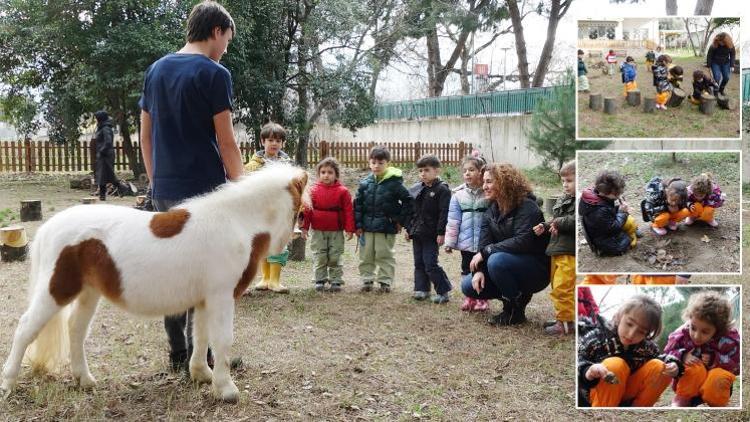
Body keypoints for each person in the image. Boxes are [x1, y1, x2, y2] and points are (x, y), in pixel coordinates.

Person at [138, 0, 243, 372]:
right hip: (206, 190)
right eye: (227, 39)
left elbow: (145, 136)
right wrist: (241, 186)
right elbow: (227, 143)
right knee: (207, 273)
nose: (226, 47)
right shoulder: (215, 73)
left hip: (165, 187)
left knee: (173, 272)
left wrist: (155, 182)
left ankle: (178, 354)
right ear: (216, 31)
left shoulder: (155, 70)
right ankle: (207, 355)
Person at [461, 163, 550, 326]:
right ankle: (514, 299)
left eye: (489, 182)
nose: (484, 186)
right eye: (484, 182)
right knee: (468, 285)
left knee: (496, 260)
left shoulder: (528, 207)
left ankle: (514, 311)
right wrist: (480, 270)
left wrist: (487, 251)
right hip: (504, 262)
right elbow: (484, 242)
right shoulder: (491, 209)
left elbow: (523, 241)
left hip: (536, 269)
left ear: (504, 183)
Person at [578, 295, 682, 407]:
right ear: (619, 316)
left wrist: (674, 364)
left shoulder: (646, 347)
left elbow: (660, 358)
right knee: (614, 365)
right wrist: (588, 371)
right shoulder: (595, 338)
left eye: (641, 331)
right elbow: (579, 361)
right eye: (629, 324)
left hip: (627, 396)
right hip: (597, 396)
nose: (631, 334)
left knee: (661, 367)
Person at [664, 291, 740, 407]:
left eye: (705, 331)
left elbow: (737, 365)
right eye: (693, 328)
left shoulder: (729, 341)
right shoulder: (682, 334)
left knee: (717, 376)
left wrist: (716, 359)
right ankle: (683, 400)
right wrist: (683, 356)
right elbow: (668, 352)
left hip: (714, 387)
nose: (696, 336)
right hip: (689, 386)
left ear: (718, 330)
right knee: (695, 367)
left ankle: (717, 405)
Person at [354, 145, 413, 293]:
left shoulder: (395, 183)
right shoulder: (364, 183)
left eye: (381, 163)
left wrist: (400, 220)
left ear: (388, 163)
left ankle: (385, 282)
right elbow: (358, 205)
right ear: (369, 163)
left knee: (385, 255)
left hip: (386, 227)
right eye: (373, 162)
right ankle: (367, 280)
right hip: (367, 227)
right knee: (366, 255)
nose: (376, 166)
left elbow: (408, 200)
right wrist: (358, 225)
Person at [245, 122, 294, 293]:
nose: (274, 144)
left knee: (278, 243)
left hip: (280, 212)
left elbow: (293, 186)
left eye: (278, 141)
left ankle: (275, 280)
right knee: (262, 243)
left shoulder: (288, 165)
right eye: (271, 140)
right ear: (262, 141)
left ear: (283, 143)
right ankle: (265, 278)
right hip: (259, 212)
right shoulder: (252, 166)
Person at [533, 160, 575, 336]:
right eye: (563, 181)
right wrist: (545, 224)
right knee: (556, 285)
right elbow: (557, 220)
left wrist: (557, 222)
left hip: (569, 252)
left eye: (570, 181)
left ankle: (565, 323)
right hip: (557, 250)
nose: (565, 185)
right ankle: (563, 318)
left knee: (562, 287)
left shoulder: (582, 201)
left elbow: (574, 221)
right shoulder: (564, 199)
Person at [301, 157, 355, 292]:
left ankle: (336, 280)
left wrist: (349, 229)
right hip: (318, 230)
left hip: (336, 229)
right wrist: (304, 228)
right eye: (323, 172)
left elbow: (349, 211)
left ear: (336, 174)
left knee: (335, 255)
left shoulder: (343, 191)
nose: (326, 175)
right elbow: (307, 210)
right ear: (319, 174)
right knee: (320, 255)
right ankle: (319, 279)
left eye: (330, 172)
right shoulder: (312, 191)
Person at [445, 153, 490, 312]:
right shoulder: (457, 196)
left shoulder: (489, 194)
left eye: (471, 170)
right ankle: (470, 297)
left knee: (483, 269)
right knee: (466, 270)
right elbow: (453, 220)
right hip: (465, 243)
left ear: (481, 172)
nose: (467, 173)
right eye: (465, 171)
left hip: (484, 242)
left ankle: (482, 298)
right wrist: (449, 242)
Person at [407, 154, 452, 304]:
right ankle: (422, 289)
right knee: (418, 262)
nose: (423, 174)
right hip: (417, 233)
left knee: (430, 264)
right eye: (420, 171)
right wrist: (409, 229)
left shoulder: (442, 190)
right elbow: (413, 212)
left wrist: (441, 233)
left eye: (426, 170)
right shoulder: (418, 189)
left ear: (437, 171)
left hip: (432, 235)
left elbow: (444, 213)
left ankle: (443, 291)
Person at [578, 170, 638, 256]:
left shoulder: (597, 195)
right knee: (626, 241)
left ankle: (631, 230)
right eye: (617, 194)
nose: (618, 196)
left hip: (602, 227)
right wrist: (622, 212)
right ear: (607, 193)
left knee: (627, 224)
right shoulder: (599, 211)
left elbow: (607, 212)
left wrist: (618, 209)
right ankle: (602, 251)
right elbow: (613, 227)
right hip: (602, 239)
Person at [93, 110, 118, 201]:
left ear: (100, 119)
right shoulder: (101, 127)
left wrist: (101, 151)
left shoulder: (106, 128)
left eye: (96, 118)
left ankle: (123, 188)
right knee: (102, 175)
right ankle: (102, 195)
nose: (95, 120)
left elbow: (108, 142)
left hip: (106, 154)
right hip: (103, 154)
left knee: (106, 175)